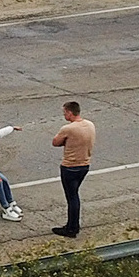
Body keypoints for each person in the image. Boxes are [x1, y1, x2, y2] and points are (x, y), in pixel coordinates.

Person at [50, 100, 96, 238]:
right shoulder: (90, 124)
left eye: (65, 112)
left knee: (72, 197)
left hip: (70, 167)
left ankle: (72, 228)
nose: (64, 115)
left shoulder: (68, 129)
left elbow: (55, 142)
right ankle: (73, 225)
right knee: (74, 195)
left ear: (70, 113)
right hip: (84, 165)